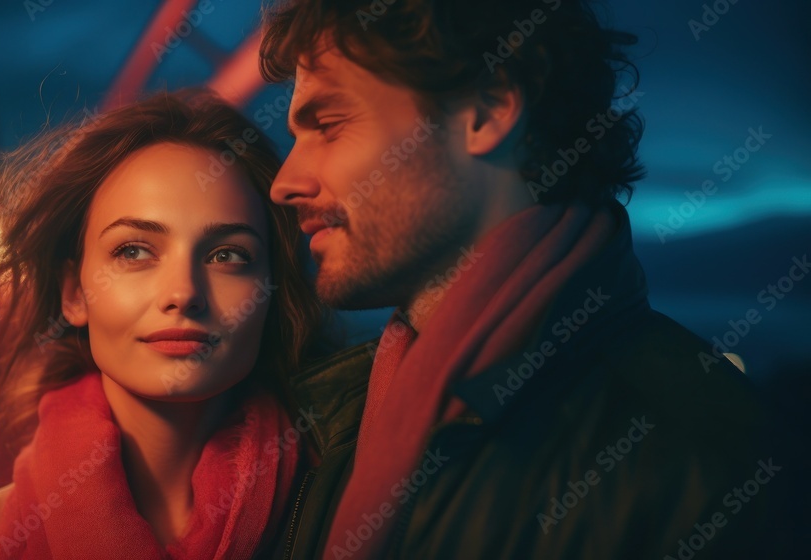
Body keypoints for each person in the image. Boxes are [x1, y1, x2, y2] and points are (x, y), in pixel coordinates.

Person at [258, 1, 805, 558]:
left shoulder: (702, 452)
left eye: (327, 125)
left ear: (488, 111)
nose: (285, 182)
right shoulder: (316, 420)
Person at [0, 90, 325, 559]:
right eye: (134, 251)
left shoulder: (348, 514)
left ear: (273, 291)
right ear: (74, 294)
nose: (183, 292)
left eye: (227, 255)